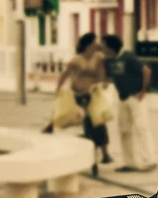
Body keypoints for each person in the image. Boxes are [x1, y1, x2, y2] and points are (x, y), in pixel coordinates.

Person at [43, 32, 113, 163]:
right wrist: (58, 88)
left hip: (93, 94)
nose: (96, 44)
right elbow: (65, 74)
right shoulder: (76, 60)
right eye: (93, 42)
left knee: (99, 122)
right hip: (77, 94)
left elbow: (101, 73)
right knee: (70, 114)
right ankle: (52, 124)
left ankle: (105, 153)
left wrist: (103, 82)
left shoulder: (98, 58)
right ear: (87, 44)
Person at [100, 34, 156, 172]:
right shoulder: (108, 60)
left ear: (110, 47)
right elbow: (107, 78)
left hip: (135, 96)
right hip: (122, 97)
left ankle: (149, 159)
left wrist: (143, 91)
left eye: (104, 46)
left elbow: (146, 71)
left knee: (141, 127)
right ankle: (130, 162)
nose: (102, 49)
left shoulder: (128, 57)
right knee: (124, 130)